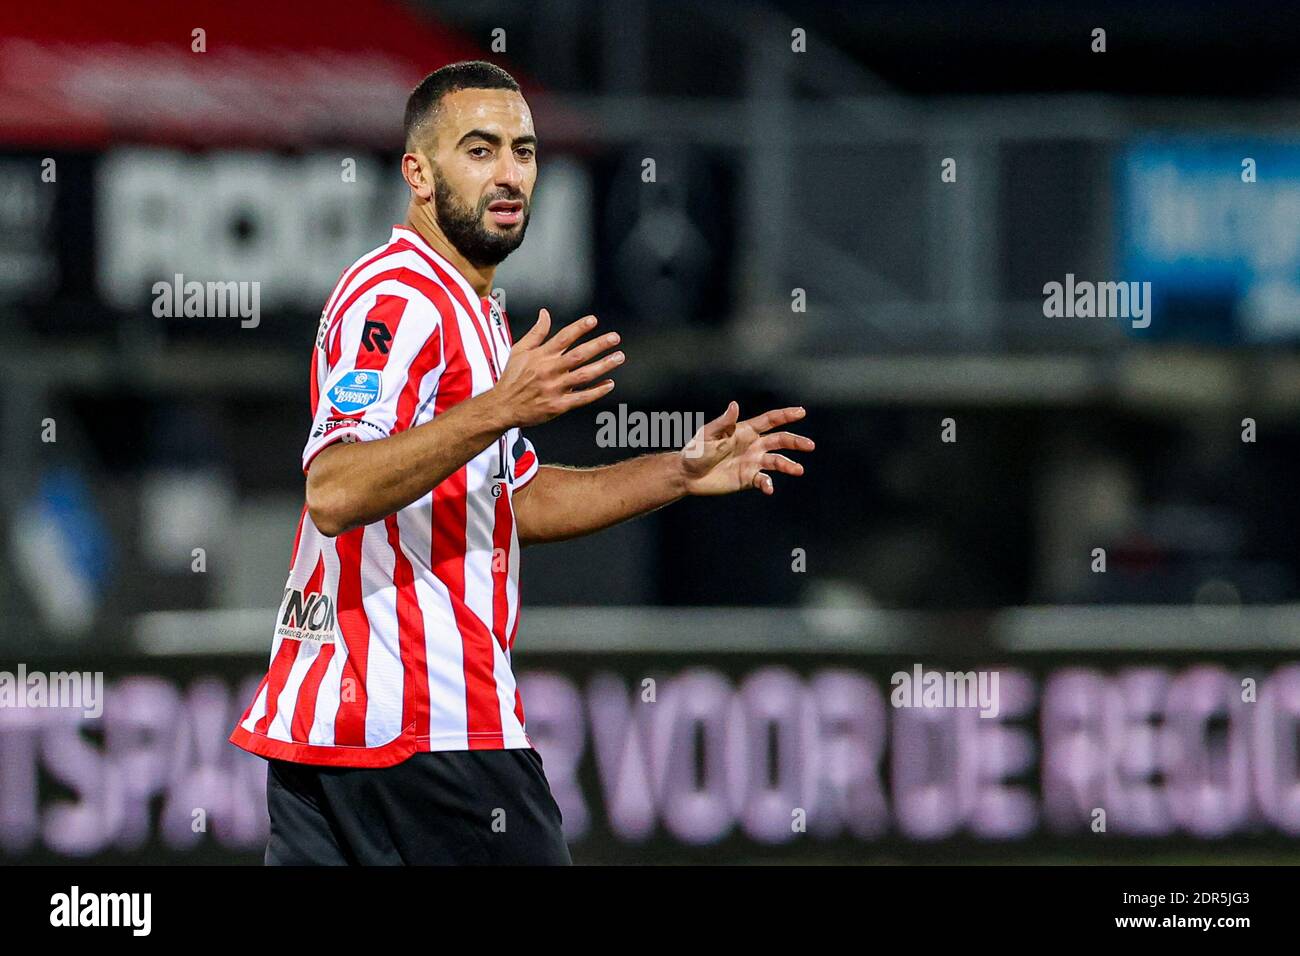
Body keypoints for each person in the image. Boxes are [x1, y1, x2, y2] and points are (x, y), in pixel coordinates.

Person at [230, 60, 814, 865]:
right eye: (479, 150)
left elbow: (518, 502)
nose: (510, 173)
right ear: (419, 173)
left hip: (332, 738)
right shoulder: (398, 300)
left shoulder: (471, 311)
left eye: (525, 151)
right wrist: (499, 407)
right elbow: (334, 488)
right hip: (430, 730)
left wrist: (677, 471)